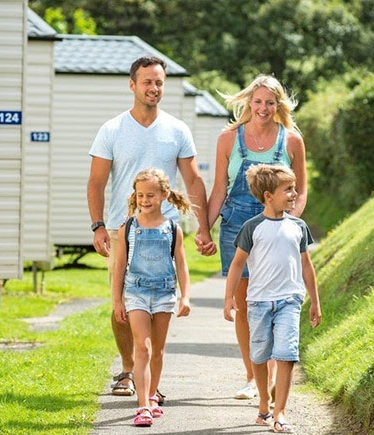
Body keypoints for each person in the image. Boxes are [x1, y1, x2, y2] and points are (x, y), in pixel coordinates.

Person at [87, 56, 216, 399]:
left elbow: (193, 180)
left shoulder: (177, 130)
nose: (153, 88)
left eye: (159, 82)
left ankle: (151, 380)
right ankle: (129, 370)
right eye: (147, 82)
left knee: (160, 303)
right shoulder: (112, 130)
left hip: (165, 232)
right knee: (123, 303)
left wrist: (202, 228)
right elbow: (96, 182)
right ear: (132, 85)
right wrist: (98, 226)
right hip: (121, 230)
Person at [207, 75, 308, 399]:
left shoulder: (291, 141)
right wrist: (204, 228)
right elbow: (220, 188)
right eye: (258, 101)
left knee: (274, 298)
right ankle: (253, 377)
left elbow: (301, 190)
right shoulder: (228, 138)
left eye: (269, 102)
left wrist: (290, 222)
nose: (263, 108)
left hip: (277, 228)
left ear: (278, 105)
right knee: (246, 303)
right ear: (248, 102)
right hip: (237, 224)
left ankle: (273, 374)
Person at [223, 164, 321, 433]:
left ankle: (280, 412)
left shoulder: (298, 227)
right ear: (268, 195)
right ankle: (264, 405)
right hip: (258, 302)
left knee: (287, 354)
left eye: (294, 188)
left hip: (290, 300)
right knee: (260, 354)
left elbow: (306, 265)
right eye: (288, 189)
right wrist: (229, 297)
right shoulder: (252, 228)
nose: (294, 193)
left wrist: (315, 301)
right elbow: (236, 265)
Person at [112, 168, 192, 427]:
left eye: (150, 195)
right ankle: (143, 405)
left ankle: (153, 395)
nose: (145, 200)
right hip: (136, 292)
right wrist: (117, 300)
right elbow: (119, 266)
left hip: (164, 293)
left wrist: (185, 297)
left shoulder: (172, 229)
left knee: (157, 350)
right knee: (143, 347)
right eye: (140, 195)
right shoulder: (128, 228)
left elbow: (181, 265)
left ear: (164, 195)